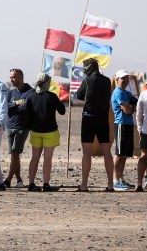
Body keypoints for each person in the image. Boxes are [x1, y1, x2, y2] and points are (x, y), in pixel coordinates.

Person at [75, 57, 114, 192]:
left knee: (87, 153)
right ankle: (110, 185)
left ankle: (84, 185)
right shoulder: (107, 80)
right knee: (107, 152)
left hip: (89, 118)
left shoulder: (87, 80)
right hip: (103, 119)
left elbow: (78, 95)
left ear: (89, 67)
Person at [24, 73, 66, 192]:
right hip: (50, 132)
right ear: (48, 83)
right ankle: (46, 184)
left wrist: (30, 127)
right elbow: (62, 111)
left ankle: (31, 184)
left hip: (35, 131)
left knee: (34, 158)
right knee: (47, 159)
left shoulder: (31, 96)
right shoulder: (51, 96)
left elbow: (27, 114)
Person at [4, 68, 32, 188]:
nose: (11, 79)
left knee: (15, 153)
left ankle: (8, 180)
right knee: (14, 155)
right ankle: (19, 180)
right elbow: (5, 106)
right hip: (10, 126)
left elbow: (26, 107)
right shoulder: (10, 92)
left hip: (22, 127)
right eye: (10, 77)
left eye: (14, 77)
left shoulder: (30, 91)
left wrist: (14, 106)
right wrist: (16, 104)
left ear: (21, 77)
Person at [111, 70, 137, 191]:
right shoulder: (118, 93)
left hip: (128, 124)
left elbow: (134, 104)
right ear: (117, 80)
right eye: (123, 78)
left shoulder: (127, 93)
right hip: (121, 124)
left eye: (127, 78)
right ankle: (115, 180)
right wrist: (130, 107)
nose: (125, 80)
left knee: (124, 154)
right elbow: (127, 110)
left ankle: (121, 178)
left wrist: (131, 106)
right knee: (119, 153)